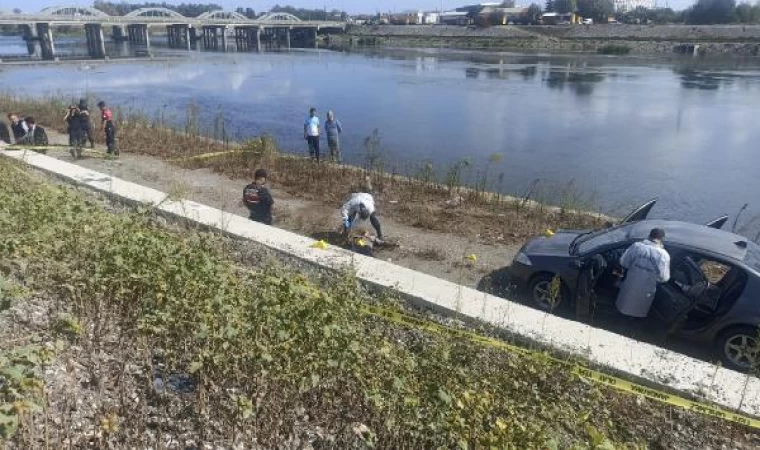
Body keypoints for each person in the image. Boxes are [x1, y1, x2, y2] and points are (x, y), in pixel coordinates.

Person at [615, 228, 671, 319]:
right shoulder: (664, 255)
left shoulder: (637, 246)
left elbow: (623, 262)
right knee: (637, 312)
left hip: (630, 286)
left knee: (623, 308)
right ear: (662, 239)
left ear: (649, 235)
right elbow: (664, 278)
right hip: (646, 292)